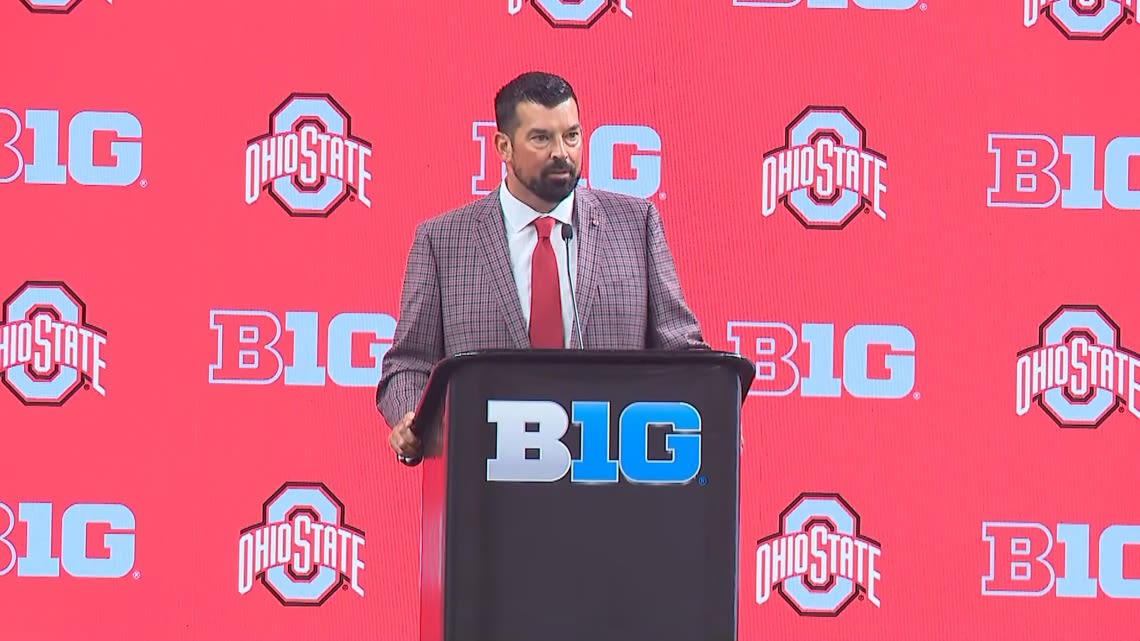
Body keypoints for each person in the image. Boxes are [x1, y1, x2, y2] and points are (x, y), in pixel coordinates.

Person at [378, 71, 708, 461]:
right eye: (541, 138)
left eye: (571, 136)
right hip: (486, 482)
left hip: (611, 479)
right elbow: (409, 362)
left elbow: (681, 349)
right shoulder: (443, 240)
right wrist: (411, 417)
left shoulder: (636, 224)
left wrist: (713, 411)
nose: (562, 152)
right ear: (503, 146)